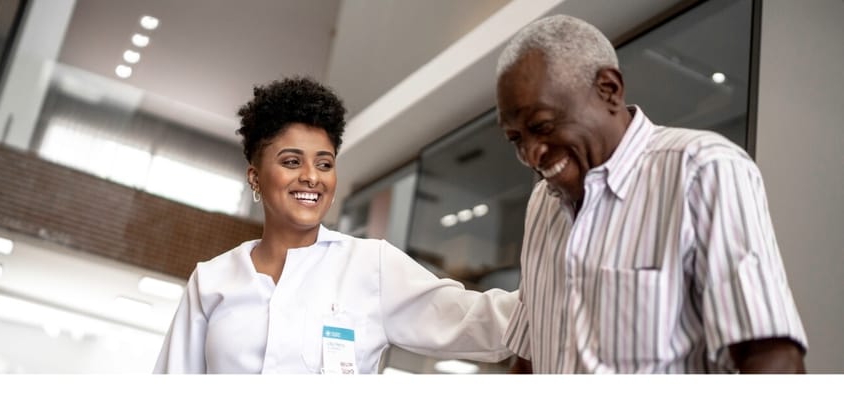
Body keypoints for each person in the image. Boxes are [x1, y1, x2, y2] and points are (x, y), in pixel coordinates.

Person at [495, 15, 807, 373]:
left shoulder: (702, 169)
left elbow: (773, 358)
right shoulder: (541, 205)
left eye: (543, 127)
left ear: (609, 90)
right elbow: (530, 358)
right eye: (516, 139)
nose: (532, 155)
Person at [153, 76, 517, 374]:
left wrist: (562, 295)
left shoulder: (370, 266)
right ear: (255, 177)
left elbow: (475, 321)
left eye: (324, 164)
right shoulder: (211, 281)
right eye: (292, 162)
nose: (312, 177)